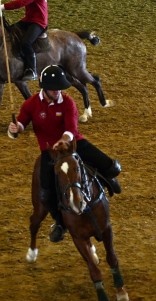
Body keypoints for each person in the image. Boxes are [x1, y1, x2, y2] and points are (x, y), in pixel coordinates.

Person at [7, 65, 122, 242]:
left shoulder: (68, 102)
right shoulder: (30, 104)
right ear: (44, 88)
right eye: (54, 88)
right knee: (45, 193)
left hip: (74, 144)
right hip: (49, 152)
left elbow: (71, 128)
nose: (58, 91)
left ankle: (109, 179)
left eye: (60, 87)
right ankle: (60, 223)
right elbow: (21, 123)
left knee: (112, 166)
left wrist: (64, 139)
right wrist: (15, 129)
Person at [0, 0, 48, 80]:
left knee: (26, 43)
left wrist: (3, 7)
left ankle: (32, 70)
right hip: (28, 20)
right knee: (10, 30)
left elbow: (21, 2)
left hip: (39, 22)